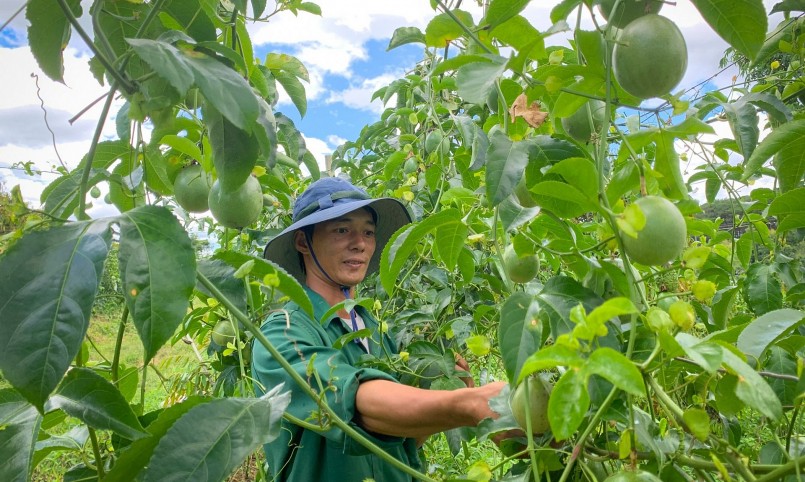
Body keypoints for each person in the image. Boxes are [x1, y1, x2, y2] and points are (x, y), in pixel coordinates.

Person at [253, 176, 506, 482]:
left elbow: (404, 439)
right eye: (341, 229)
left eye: (368, 232)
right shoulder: (284, 331)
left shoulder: (375, 330)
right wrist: (469, 403)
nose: (359, 243)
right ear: (303, 242)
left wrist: (444, 390)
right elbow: (353, 403)